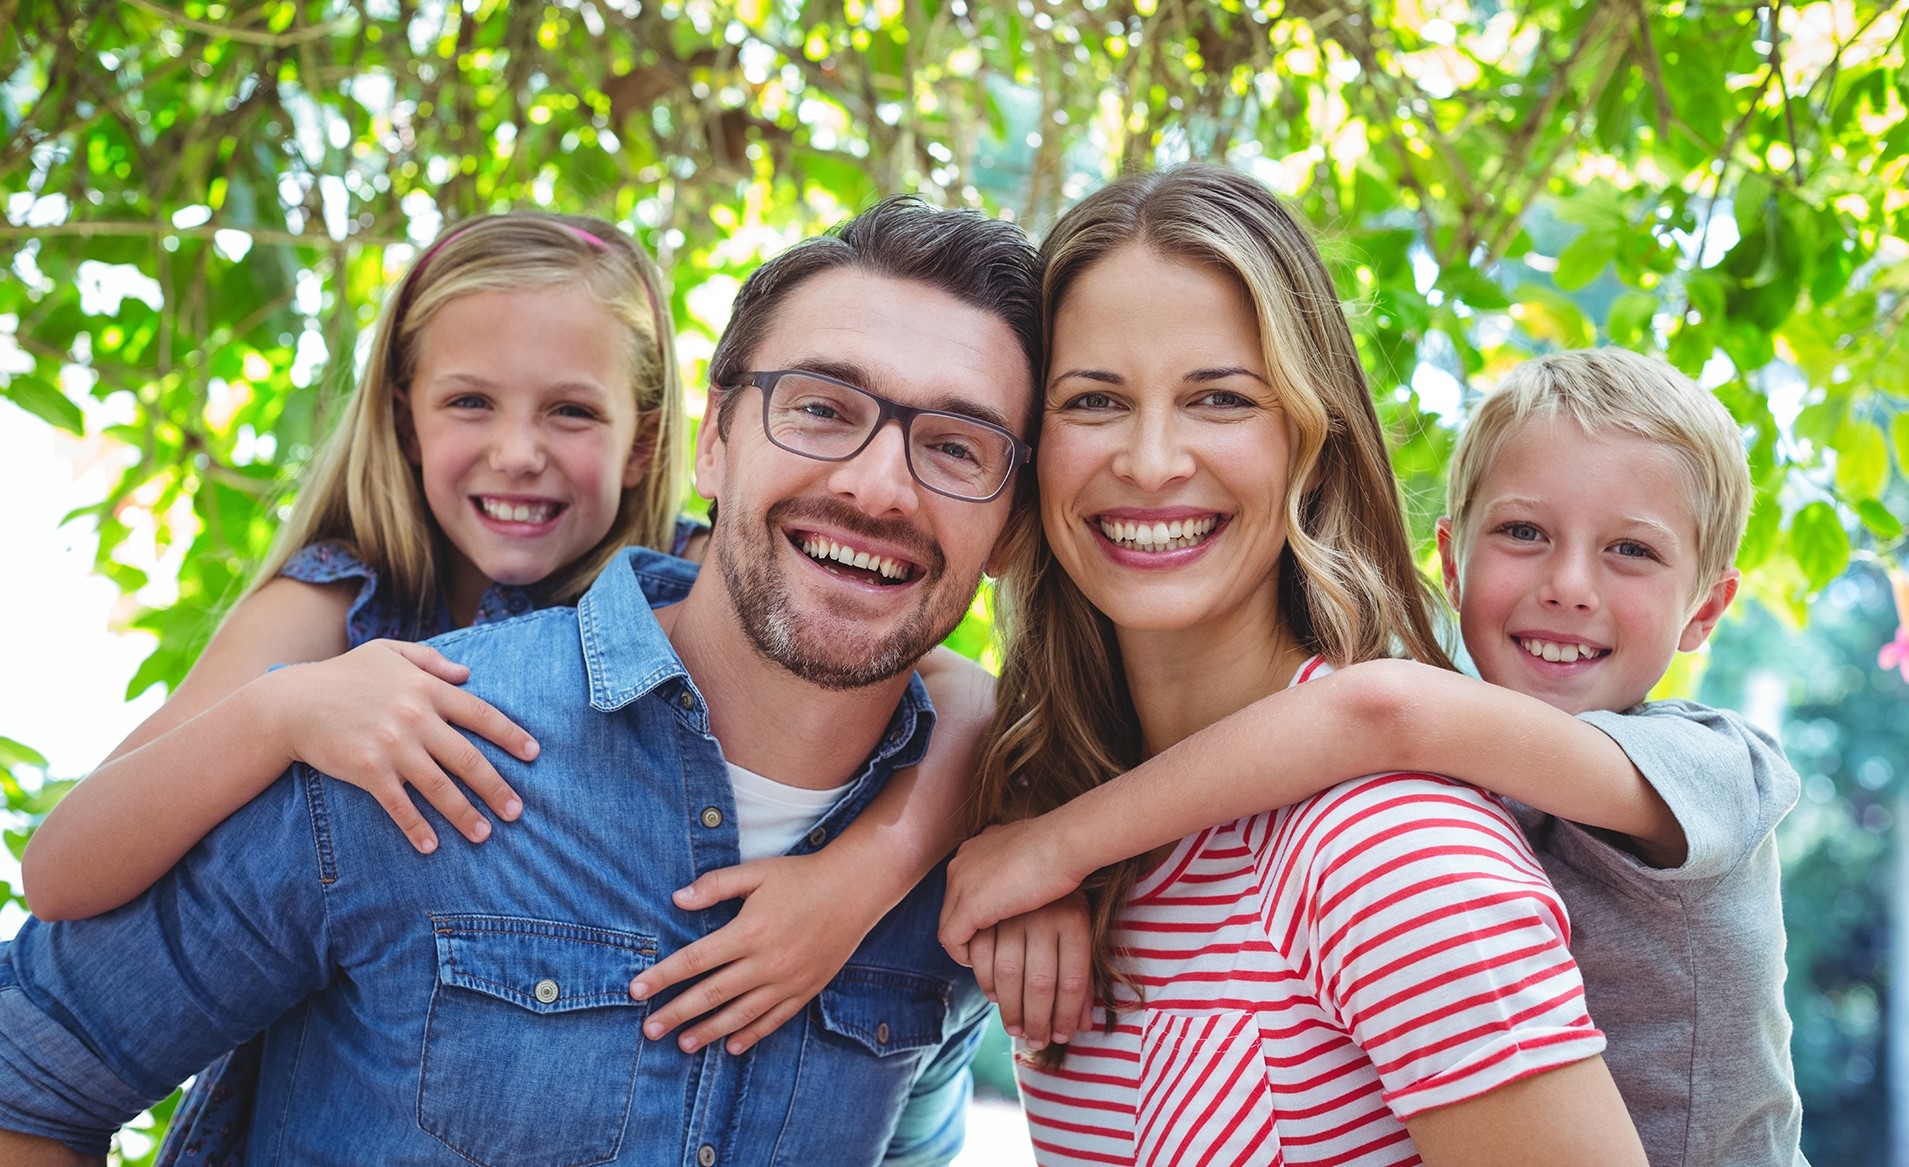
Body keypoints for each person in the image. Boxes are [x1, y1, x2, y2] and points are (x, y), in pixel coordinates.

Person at [0, 195, 1042, 1166]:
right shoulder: (355, 664)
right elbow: (51, 966)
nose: (518, 454)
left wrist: (872, 873)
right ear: (715, 443)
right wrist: (282, 711)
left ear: (646, 447)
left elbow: (960, 692)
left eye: (955, 446)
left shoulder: (933, 834)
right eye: (822, 409)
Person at [942, 346, 1806, 1165]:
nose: (1568, 584)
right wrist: (1044, 838)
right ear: (1452, 566)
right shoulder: (1476, 763)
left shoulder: (1717, 769)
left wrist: (1056, 847)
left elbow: (1378, 707)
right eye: (1522, 533)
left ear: (1706, 606)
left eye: (1631, 550)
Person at [956, 165, 1644, 1165]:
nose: (1151, 461)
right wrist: (1044, 838)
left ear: (1310, 443)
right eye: (1095, 399)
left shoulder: (1390, 855)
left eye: (1220, 399)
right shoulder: (1063, 841)